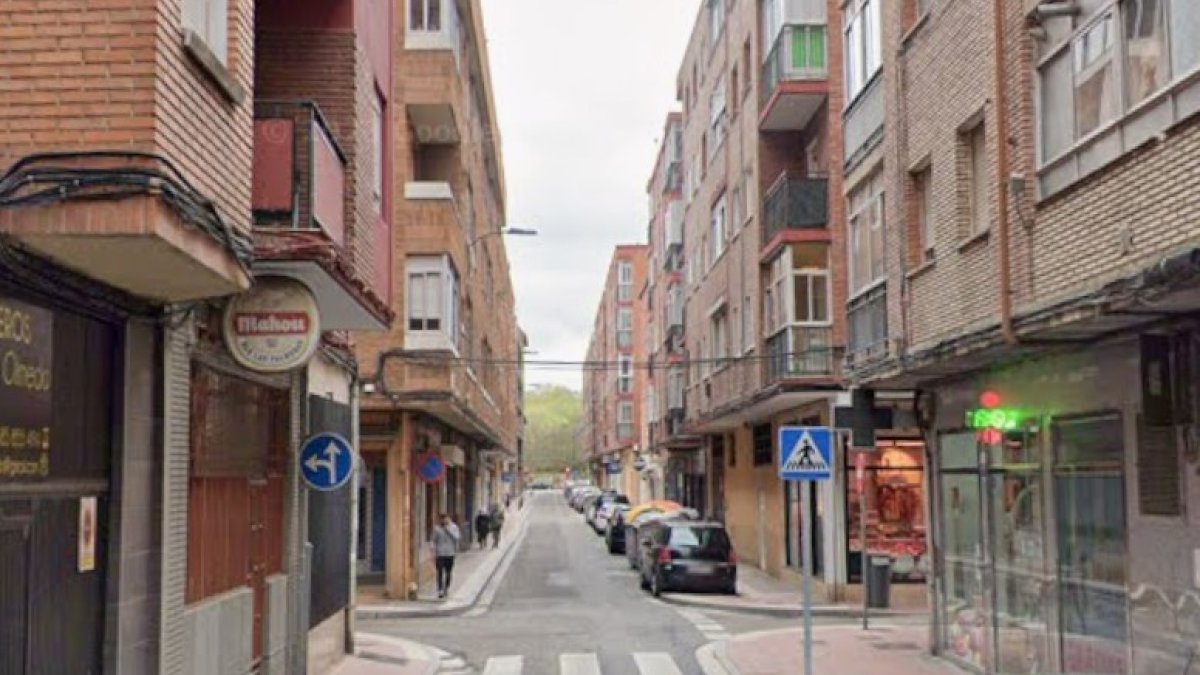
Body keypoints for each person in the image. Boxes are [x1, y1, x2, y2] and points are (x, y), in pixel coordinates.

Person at [432, 513, 460, 599]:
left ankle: (446, 588)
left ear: (449, 519)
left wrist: (448, 530)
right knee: (439, 572)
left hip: (450, 553)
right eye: (442, 519)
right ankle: (440, 589)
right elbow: (433, 540)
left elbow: (457, 538)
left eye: (446, 519)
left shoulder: (454, 527)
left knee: (448, 572)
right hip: (440, 554)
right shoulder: (436, 529)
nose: (444, 521)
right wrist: (433, 551)